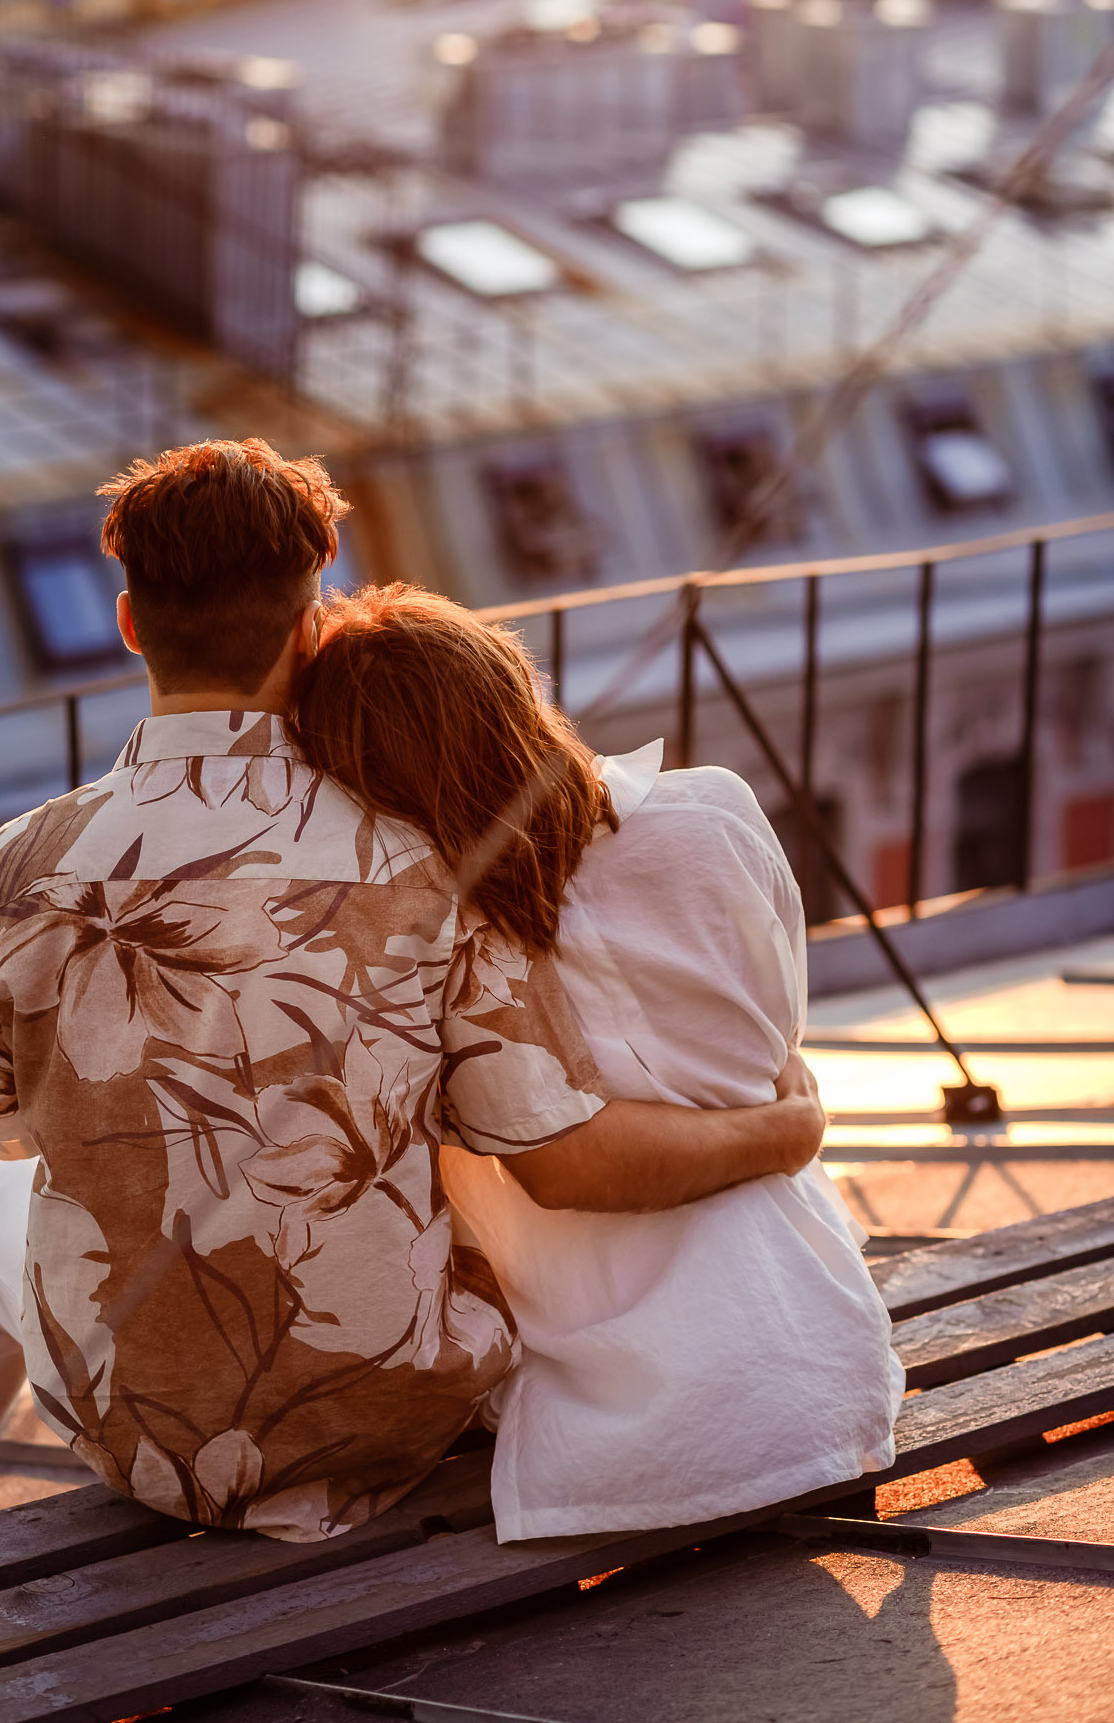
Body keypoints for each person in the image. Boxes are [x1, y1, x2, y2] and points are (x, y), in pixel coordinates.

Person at [0, 439, 825, 1539]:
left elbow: (7, 1132)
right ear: (314, 602)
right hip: (394, 1406)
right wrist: (788, 1129)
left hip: (133, 1432)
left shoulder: (12, 868)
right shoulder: (417, 857)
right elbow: (558, 1153)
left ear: (131, 622)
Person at [291, 582, 904, 1542]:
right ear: (518, 690)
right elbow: (775, 1043)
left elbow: (574, 1167)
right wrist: (786, 1128)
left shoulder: (435, 939)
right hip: (828, 1361)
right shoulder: (715, 813)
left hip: (633, 1428)